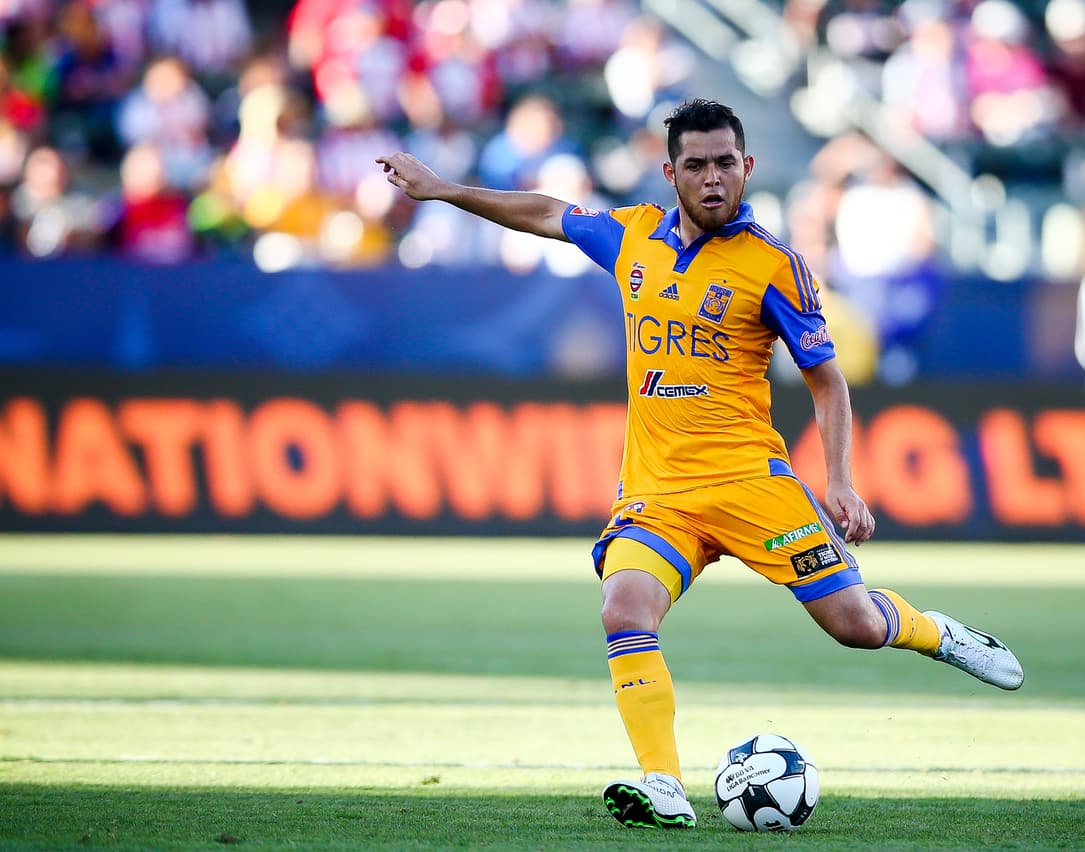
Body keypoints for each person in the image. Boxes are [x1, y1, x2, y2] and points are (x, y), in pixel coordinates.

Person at [377, 98, 1023, 831]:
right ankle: (664, 785)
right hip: (660, 494)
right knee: (624, 607)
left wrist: (839, 479)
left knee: (855, 626)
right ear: (670, 173)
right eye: (697, 165)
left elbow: (827, 380)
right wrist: (446, 190)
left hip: (753, 484)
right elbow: (544, 212)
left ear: (746, 167)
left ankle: (938, 633)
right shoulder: (631, 237)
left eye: (725, 164)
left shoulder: (775, 265)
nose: (713, 179)